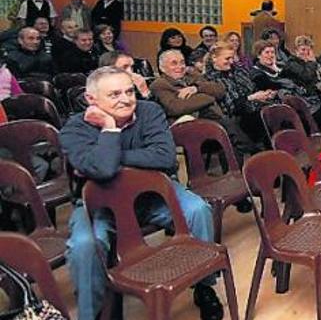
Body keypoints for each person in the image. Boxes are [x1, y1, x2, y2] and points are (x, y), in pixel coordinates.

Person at [59, 67, 224, 320]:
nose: (125, 99)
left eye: (129, 91)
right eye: (114, 94)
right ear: (92, 100)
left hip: (153, 194)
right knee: (84, 244)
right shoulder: (74, 128)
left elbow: (165, 158)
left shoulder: (149, 112)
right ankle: (95, 312)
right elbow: (102, 170)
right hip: (101, 205)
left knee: (198, 210)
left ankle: (203, 286)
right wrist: (110, 129)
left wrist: (111, 157)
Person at [250, 39, 321, 134]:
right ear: (259, 55)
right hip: (272, 104)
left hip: (295, 97)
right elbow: (270, 86)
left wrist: (276, 69)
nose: (270, 55)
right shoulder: (256, 73)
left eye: (272, 52)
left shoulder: (278, 68)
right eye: (267, 52)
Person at [205, 41, 276, 146]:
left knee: (278, 111)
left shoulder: (239, 71)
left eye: (232, 58)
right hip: (236, 118)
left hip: (255, 108)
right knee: (264, 119)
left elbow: (253, 88)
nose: (231, 61)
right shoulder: (210, 80)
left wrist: (265, 94)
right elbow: (229, 107)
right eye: (227, 58)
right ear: (214, 58)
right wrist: (251, 97)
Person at [150, 49, 225, 123]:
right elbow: (175, 108)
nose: (180, 66)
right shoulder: (160, 84)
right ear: (162, 67)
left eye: (182, 62)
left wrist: (196, 88)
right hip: (187, 127)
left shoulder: (192, 75)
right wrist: (210, 98)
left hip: (215, 120)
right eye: (174, 63)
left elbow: (220, 90)